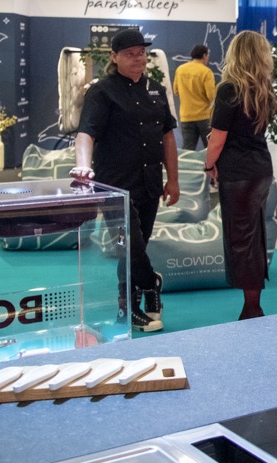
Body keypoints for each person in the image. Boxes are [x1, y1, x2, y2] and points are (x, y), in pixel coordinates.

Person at [70, 28, 178, 332]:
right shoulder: (101, 92)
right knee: (126, 246)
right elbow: (86, 133)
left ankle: (127, 308)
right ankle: (150, 283)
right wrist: (83, 167)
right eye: (130, 54)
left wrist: (173, 180)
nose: (138, 59)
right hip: (115, 189)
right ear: (114, 57)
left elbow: (168, 137)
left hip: (150, 185)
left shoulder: (157, 90)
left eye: (141, 53)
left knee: (134, 249)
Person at [205, 30, 276, 320]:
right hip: (261, 170)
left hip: (237, 173)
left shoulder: (229, 89)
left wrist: (209, 166)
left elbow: (217, 139)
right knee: (254, 237)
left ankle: (252, 307)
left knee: (241, 239)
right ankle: (253, 302)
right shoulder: (264, 89)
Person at [174, 43, 216, 150]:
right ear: (204, 55)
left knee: (187, 149)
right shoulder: (206, 72)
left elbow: (176, 91)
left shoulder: (180, 70)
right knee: (210, 149)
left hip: (186, 116)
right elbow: (211, 96)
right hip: (204, 117)